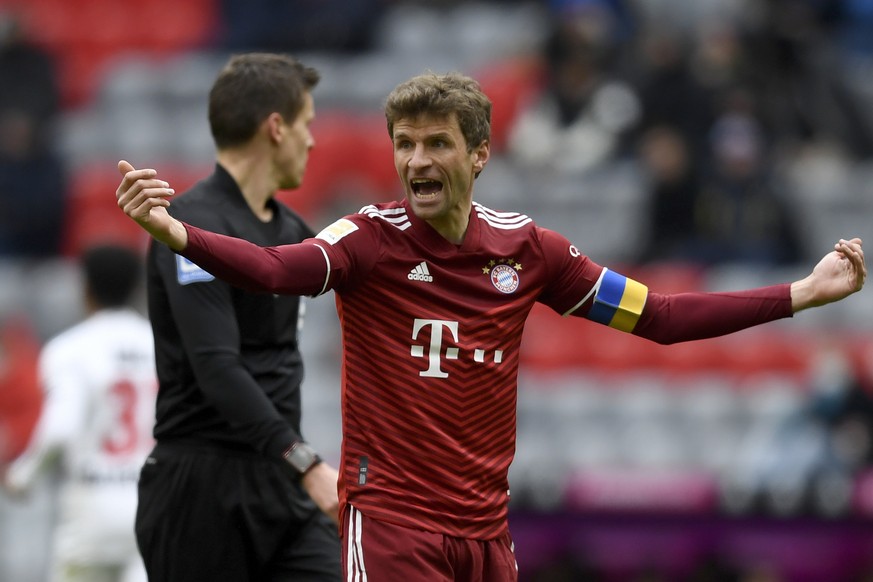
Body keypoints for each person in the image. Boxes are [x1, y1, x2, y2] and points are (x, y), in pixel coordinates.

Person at [116, 72, 866, 581]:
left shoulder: (528, 250)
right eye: (404, 143)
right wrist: (178, 233)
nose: (416, 159)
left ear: (478, 153)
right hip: (390, 522)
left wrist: (799, 293)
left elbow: (659, 318)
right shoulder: (366, 240)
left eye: (436, 142)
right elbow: (277, 270)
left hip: (484, 532)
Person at [125, 53, 342, 582]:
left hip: (281, 482)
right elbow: (217, 366)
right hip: (202, 488)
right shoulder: (188, 228)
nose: (311, 141)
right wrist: (307, 464)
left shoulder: (294, 231)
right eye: (307, 124)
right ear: (276, 128)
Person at [2, 245, 155, 582]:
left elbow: (60, 429)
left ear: (84, 289)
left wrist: (24, 475)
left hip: (92, 508)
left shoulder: (69, 349)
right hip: (152, 506)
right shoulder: (161, 347)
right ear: (136, 289)